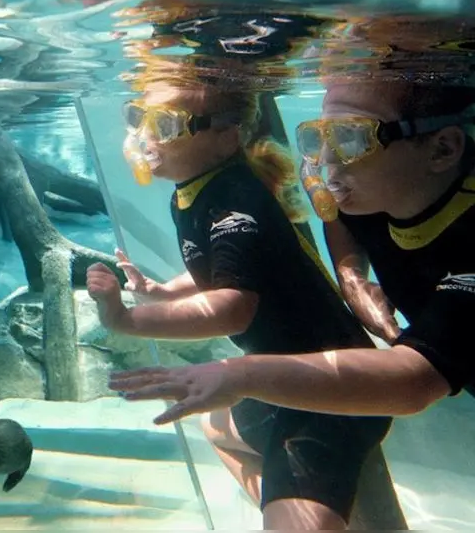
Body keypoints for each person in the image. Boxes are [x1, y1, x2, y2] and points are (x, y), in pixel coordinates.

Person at [85, 75, 392, 530]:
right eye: (139, 118)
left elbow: (232, 306)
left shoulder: (235, 201)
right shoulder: (193, 192)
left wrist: (126, 318)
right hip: (278, 383)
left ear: (226, 136)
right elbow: (226, 270)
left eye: (166, 125)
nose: (145, 137)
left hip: (329, 391)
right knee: (215, 429)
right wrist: (166, 291)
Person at [107, 77, 475, 423]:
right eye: (320, 138)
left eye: (352, 137)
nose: (325, 161)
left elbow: (414, 382)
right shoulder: (373, 187)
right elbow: (336, 212)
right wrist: (351, 276)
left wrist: (238, 375)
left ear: (443, 148)